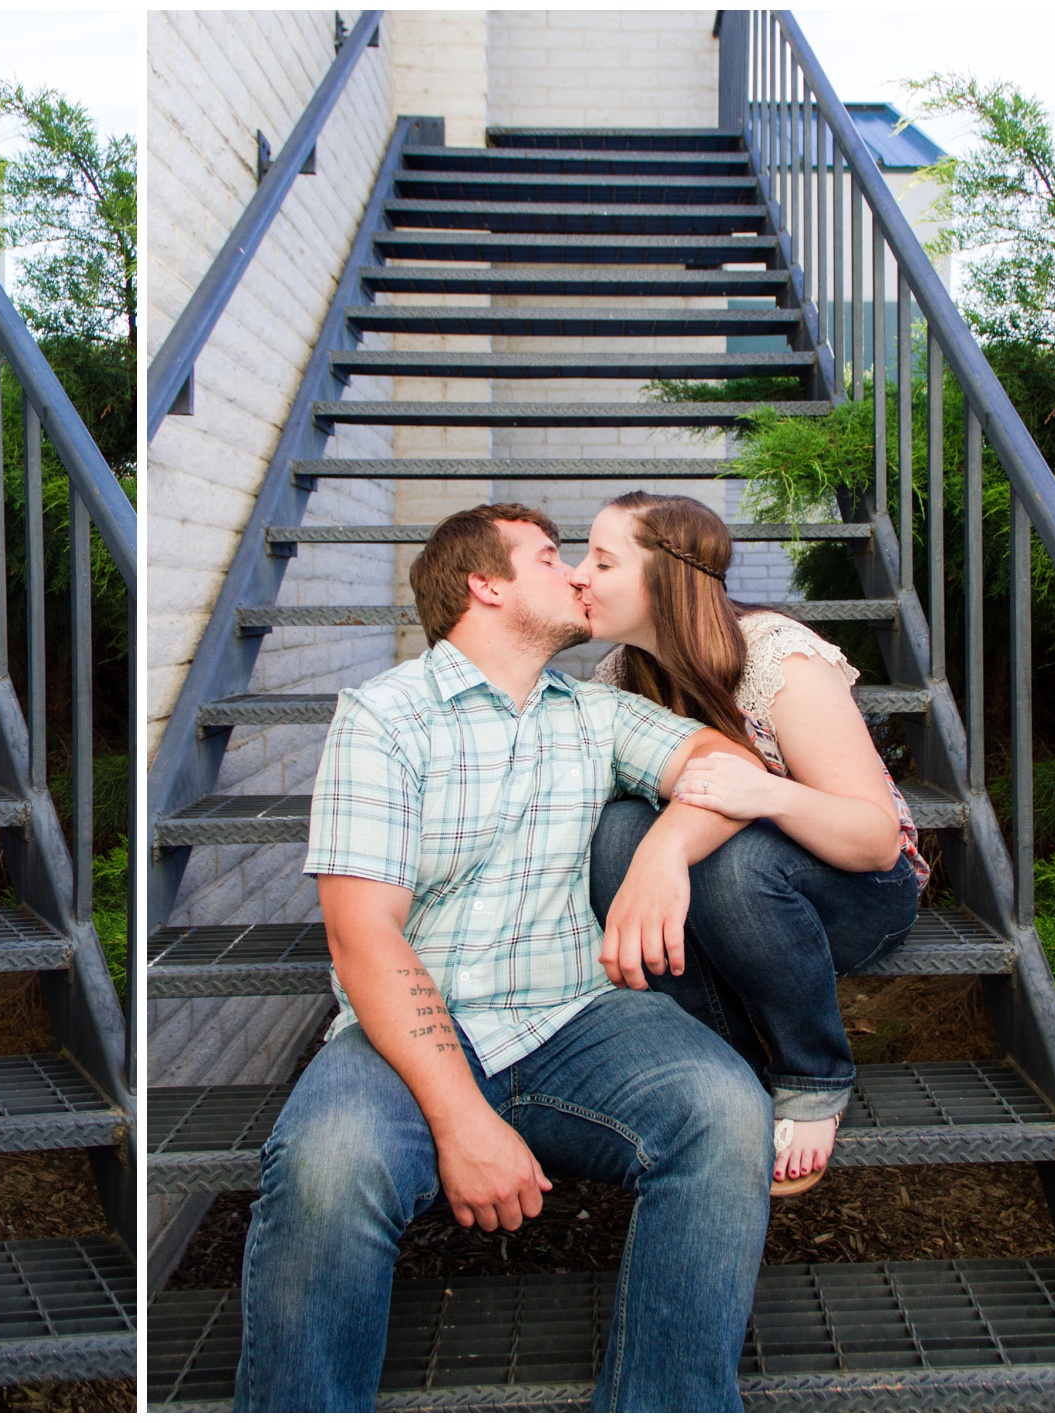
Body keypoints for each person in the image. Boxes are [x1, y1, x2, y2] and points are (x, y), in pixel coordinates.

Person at [237, 503, 780, 1413]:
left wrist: (662, 849)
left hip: (577, 1014)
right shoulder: (384, 717)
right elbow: (363, 933)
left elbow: (727, 762)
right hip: (412, 1032)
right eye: (549, 557)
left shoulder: (596, 712)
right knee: (328, 1168)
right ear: (484, 585)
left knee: (726, 1112)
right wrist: (464, 1122)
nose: (576, 575)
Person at [574, 491, 925, 1194]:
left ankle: (813, 1071)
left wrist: (768, 792)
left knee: (738, 858)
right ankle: (727, 1068)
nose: (579, 574)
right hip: (729, 905)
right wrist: (658, 848)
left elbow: (876, 840)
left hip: (855, 890)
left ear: (665, 580)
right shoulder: (619, 676)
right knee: (618, 835)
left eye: (601, 560)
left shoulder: (776, 658)